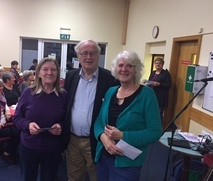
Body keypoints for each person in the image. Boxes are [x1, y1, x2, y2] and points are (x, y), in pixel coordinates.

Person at [94, 51, 162, 181]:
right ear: (115, 69)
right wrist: (104, 138)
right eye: (120, 65)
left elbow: (155, 132)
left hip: (127, 163)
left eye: (129, 66)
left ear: (136, 69)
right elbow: (98, 122)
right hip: (103, 156)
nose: (124, 69)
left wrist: (122, 135)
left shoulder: (147, 95)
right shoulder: (111, 91)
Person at [62, 39, 118, 181]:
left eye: (93, 53)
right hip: (73, 140)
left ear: (98, 56)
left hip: (96, 140)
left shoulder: (110, 78)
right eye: (84, 53)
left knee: (97, 177)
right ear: (78, 56)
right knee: (74, 177)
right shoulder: (71, 76)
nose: (88, 57)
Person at [12, 57, 67, 181]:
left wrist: (60, 126)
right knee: (28, 178)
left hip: (52, 148)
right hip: (29, 146)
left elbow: (67, 120)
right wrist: (28, 125)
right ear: (38, 73)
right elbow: (16, 118)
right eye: (45, 69)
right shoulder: (28, 93)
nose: (49, 73)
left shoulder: (63, 95)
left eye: (53, 70)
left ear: (57, 73)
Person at [147, 57, 171, 124]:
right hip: (152, 96)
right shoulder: (153, 72)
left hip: (161, 97)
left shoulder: (166, 73)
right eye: (156, 63)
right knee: (151, 113)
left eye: (159, 63)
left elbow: (168, 85)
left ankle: (159, 129)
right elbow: (150, 81)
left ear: (162, 64)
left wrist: (159, 84)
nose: (157, 64)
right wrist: (146, 82)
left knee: (159, 114)